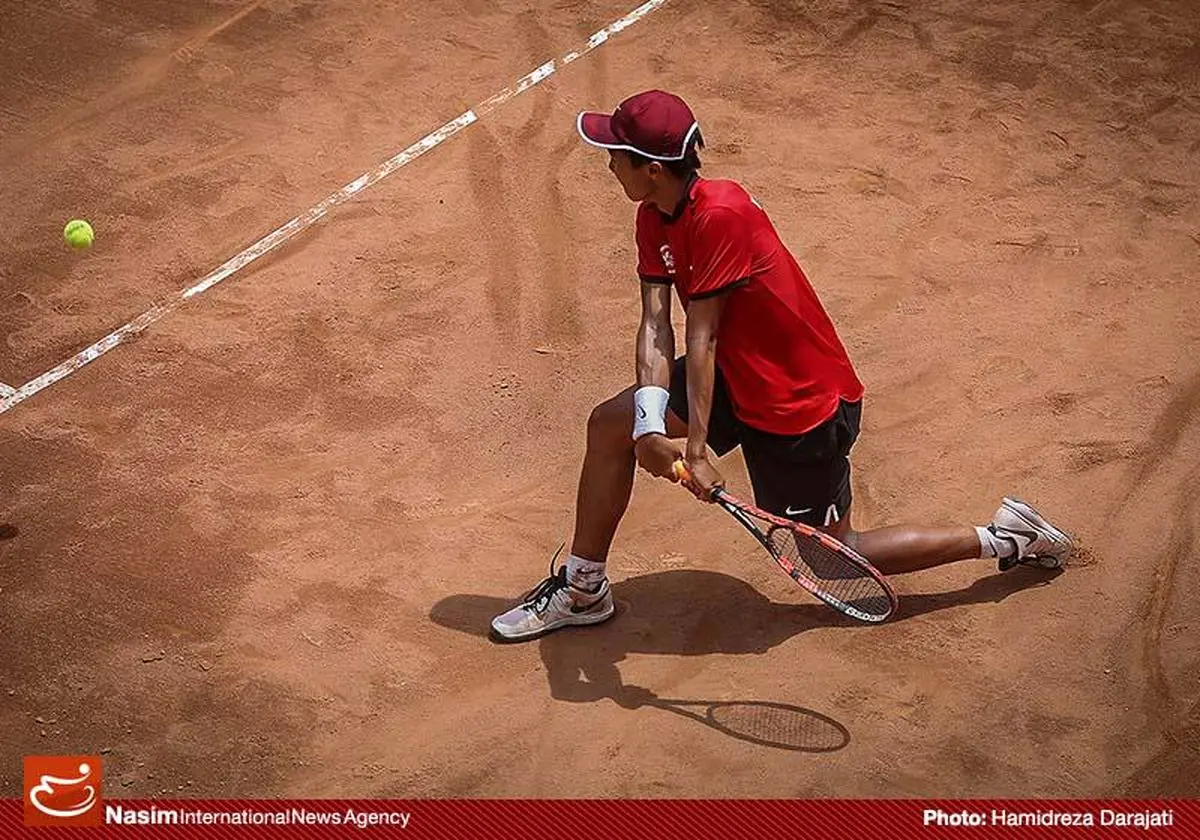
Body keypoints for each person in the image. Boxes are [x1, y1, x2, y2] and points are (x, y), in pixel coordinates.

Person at [490, 89, 1073, 642]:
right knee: (610, 423)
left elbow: (703, 334)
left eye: (616, 153)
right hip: (735, 375)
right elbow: (656, 322)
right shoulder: (653, 215)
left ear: (653, 169)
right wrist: (646, 425)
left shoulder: (722, 213)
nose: (608, 162)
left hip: (798, 403)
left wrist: (695, 451)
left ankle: (1003, 538)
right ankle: (584, 589)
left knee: (834, 558)